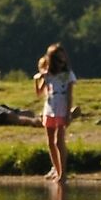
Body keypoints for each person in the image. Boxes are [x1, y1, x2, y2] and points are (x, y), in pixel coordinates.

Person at [34, 43, 76, 183]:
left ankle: (63, 173)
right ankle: (57, 170)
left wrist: (68, 113)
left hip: (61, 108)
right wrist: (39, 79)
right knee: (50, 142)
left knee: (59, 141)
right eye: (57, 59)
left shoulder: (68, 75)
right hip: (49, 108)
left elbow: (69, 95)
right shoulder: (49, 76)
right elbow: (39, 93)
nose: (60, 62)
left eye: (62, 59)